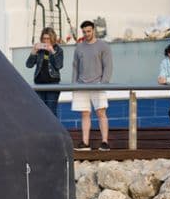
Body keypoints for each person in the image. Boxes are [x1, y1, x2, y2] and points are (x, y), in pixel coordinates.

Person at [71, 18, 113, 152]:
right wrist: (74, 85)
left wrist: (104, 83)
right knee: (84, 114)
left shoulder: (103, 46)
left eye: (88, 31)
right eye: (84, 32)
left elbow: (108, 66)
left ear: (93, 30)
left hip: (98, 84)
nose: (86, 34)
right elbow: (75, 67)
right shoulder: (79, 47)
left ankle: (105, 142)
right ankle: (85, 142)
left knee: (101, 113)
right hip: (81, 85)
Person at [26, 28, 64, 112]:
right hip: (39, 84)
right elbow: (29, 65)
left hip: (53, 84)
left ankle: (53, 126)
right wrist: (33, 51)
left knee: (51, 111)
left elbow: (59, 66)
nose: (46, 41)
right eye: (44, 38)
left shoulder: (58, 50)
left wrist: (52, 51)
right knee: (40, 111)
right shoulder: (39, 50)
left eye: (48, 38)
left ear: (52, 38)